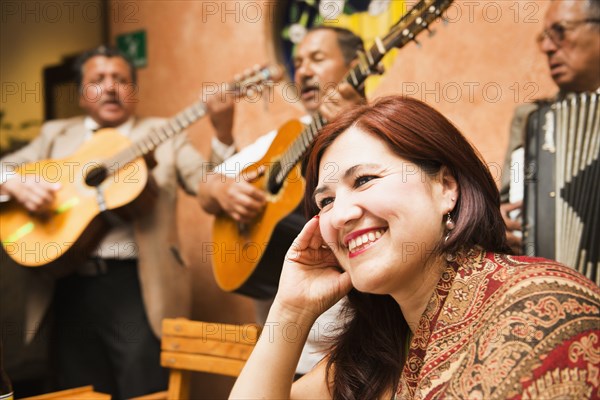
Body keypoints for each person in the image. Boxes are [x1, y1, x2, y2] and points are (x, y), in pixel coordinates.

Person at [228, 96, 600, 399]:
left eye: (364, 179)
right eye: (325, 202)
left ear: (446, 188)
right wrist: (291, 310)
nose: (339, 214)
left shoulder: (539, 305)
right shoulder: (371, 356)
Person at [0, 46, 234, 399]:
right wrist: (14, 183)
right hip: (67, 287)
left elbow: (210, 185)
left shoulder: (164, 133)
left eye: (121, 80)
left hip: (138, 288)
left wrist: (224, 135)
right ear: (81, 94)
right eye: (98, 80)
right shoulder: (54, 135)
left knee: (144, 391)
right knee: (75, 393)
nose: (111, 87)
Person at [200, 26, 365, 376]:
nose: (303, 70)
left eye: (317, 59)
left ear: (357, 65)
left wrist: (358, 123)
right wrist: (222, 191)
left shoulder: (381, 126)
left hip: (357, 352)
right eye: (299, 62)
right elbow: (207, 188)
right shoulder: (286, 135)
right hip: (284, 357)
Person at [500, 0, 600, 254]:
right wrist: (498, 223)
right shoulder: (532, 118)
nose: (546, 47)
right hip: (548, 281)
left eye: (561, 32)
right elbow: (506, 202)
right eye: (544, 37)